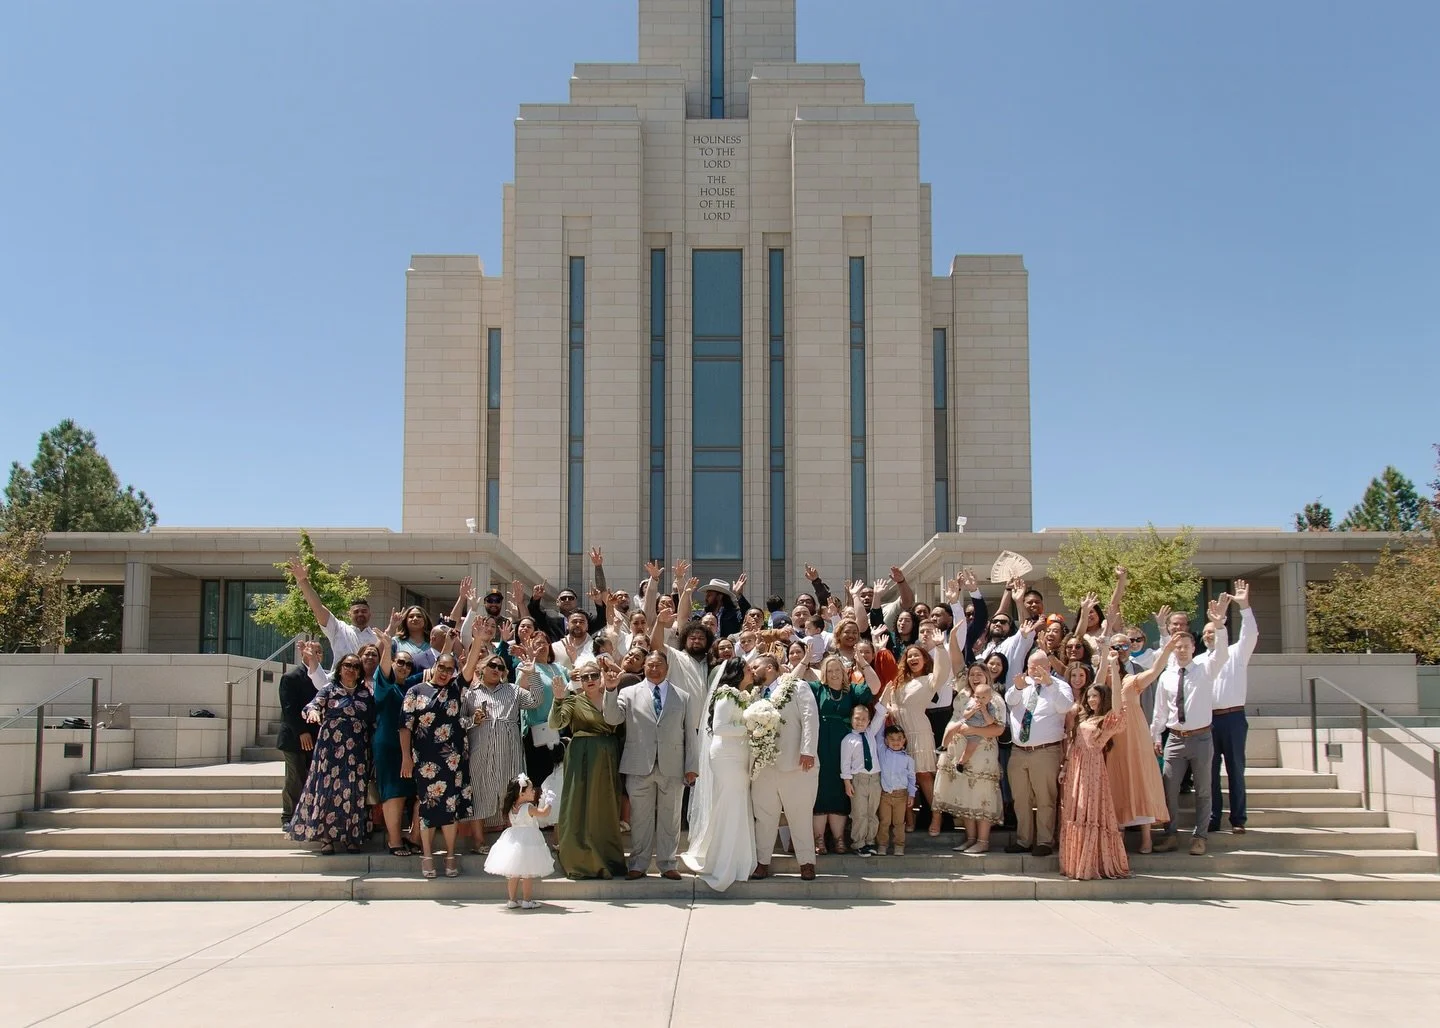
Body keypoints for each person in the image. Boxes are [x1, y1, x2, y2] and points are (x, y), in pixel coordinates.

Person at [603, 648, 697, 880]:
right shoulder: (630, 692)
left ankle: (667, 863)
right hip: (638, 765)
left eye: (659, 665)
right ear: (644, 667)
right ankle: (638, 863)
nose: (654, 669)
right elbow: (612, 719)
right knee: (641, 818)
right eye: (650, 665)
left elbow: (690, 735)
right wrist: (611, 689)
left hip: (672, 766)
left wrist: (691, 766)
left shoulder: (683, 696)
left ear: (667, 668)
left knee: (670, 818)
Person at [1150, 597, 1232, 855]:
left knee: (1203, 790)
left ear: (1193, 647)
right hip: (1174, 738)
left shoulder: (1205, 669)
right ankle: (1171, 833)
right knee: (1169, 789)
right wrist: (1155, 735)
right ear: (1172, 649)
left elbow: (1222, 653)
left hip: (1201, 738)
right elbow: (1160, 710)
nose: (1182, 650)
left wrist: (1219, 626)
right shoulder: (1166, 676)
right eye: (1178, 646)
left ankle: (1200, 836)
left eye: (1186, 646)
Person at [401, 634, 478, 879]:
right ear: (434, 667)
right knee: (427, 808)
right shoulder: (415, 691)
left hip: (454, 760)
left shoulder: (455, 689)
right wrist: (406, 757)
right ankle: (426, 855)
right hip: (425, 760)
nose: (445, 672)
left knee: (450, 809)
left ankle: (450, 855)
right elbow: (405, 727)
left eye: (449, 669)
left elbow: (471, 664)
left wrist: (479, 639)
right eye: (441, 667)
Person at [285, 651, 376, 854]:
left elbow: (372, 719)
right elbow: (311, 706)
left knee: (353, 791)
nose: (351, 670)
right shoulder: (329, 689)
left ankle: (351, 836)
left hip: (358, 751)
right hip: (331, 750)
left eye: (355, 667)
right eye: (347, 666)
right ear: (340, 668)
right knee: (328, 791)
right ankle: (326, 838)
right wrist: (315, 712)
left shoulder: (365, 693)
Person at [462, 618, 541, 853]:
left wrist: (533, 674)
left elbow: (536, 700)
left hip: (509, 750)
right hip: (481, 750)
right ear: (481, 669)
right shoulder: (470, 694)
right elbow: (459, 721)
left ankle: (514, 842)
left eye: (500, 667)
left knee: (512, 794)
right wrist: (471, 721)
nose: (496, 670)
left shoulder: (513, 690)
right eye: (492, 666)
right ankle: (478, 842)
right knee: (481, 794)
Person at [682, 657, 757, 891]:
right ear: (737, 672)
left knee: (737, 804)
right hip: (727, 757)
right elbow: (720, 727)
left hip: (739, 756)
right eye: (747, 668)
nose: (751, 671)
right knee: (730, 804)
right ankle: (723, 863)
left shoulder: (743, 697)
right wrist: (751, 727)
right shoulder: (726, 695)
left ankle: (737, 858)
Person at [548, 659, 627, 879]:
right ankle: (580, 860)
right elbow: (555, 724)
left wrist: (611, 690)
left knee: (605, 806)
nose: (590, 680)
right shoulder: (573, 701)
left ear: (601, 676)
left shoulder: (614, 697)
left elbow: (617, 721)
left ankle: (607, 859)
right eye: (585, 677)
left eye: (593, 675)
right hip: (580, 756)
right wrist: (557, 699)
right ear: (579, 680)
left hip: (606, 755)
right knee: (578, 805)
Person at [749, 655, 822, 880]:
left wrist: (808, 750)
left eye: (755, 666)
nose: (751, 670)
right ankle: (762, 861)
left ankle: (807, 862)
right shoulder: (754, 694)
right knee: (764, 815)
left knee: (799, 814)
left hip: (797, 763)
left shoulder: (797, 686)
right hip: (764, 766)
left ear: (770, 668)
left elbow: (810, 718)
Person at [1058, 663, 1131, 881]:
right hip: (1075, 767)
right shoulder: (1084, 717)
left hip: (1092, 768)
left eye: (1095, 696)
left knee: (1089, 812)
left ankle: (1091, 863)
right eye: (1089, 696)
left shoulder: (1107, 720)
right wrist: (1065, 765)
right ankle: (1075, 863)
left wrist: (1115, 673)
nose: (1091, 700)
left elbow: (1119, 708)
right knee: (1075, 812)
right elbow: (1073, 743)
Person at [879, 623, 952, 837]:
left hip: (918, 731)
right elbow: (890, 702)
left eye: (916, 655)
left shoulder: (929, 680)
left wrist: (939, 648)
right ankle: (908, 820)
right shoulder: (899, 682)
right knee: (903, 775)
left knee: (923, 776)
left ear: (924, 659)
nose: (912, 659)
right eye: (909, 656)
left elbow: (943, 671)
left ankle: (936, 816)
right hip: (899, 733)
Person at [1004, 648, 1075, 856]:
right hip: (1018, 751)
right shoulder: (1022, 685)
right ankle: (1023, 840)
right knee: (1021, 798)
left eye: (1040, 667)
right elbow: (1010, 701)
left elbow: (1065, 707)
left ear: (1049, 667)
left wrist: (1049, 684)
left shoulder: (1060, 686)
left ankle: (1044, 841)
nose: (1035, 671)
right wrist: (1017, 688)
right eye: (1031, 667)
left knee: (1045, 798)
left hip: (1045, 751)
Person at [1109, 635, 1176, 854]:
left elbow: (1155, 670)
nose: (1119, 649)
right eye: (1115, 646)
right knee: (1116, 782)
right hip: (1112, 739)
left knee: (1140, 781)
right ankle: (1118, 838)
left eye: (1124, 645)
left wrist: (1166, 650)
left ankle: (1146, 837)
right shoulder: (1104, 682)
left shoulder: (1132, 679)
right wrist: (1107, 660)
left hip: (1135, 737)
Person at [811, 653, 881, 854]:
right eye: (829, 670)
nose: (833, 674)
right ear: (824, 673)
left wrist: (864, 664)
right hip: (822, 745)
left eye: (837, 670)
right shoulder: (818, 689)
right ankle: (819, 840)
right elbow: (790, 684)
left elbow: (875, 687)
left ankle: (839, 838)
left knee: (840, 791)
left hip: (845, 747)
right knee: (821, 790)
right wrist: (806, 661)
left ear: (844, 672)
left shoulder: (852, 691)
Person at [935, 661, 1007, 854]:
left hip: (983, 752)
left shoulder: (995, 699)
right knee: (965, 794)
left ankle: (983, 841)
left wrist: (973, 729)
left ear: (987, 677)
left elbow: (999, 728)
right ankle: (971, 838)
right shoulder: (964, 695)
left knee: (981, 795)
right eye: (972, 674)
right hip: (960, 750)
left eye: (979, 674)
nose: (975, 678)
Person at [1208, 580, 1258, 835]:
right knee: (1210, 774)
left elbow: (1251, 634)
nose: (1210, 635)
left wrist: (1244, 606)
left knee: (1235, 768)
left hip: (1234, 719)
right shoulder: (1198, 661)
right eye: (1206, 633)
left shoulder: (1237, 652)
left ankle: (1238, 819)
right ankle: (1213, 818)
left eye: (1213, 630)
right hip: (1208, 722)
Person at [373, 625, 419, 856]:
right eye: (399, 662)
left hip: (410, 748)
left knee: (415, 794)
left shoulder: (411, 687)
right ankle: (394, 841)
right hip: (388, 747)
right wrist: (388, 646)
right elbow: (382, 671)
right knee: (394, 794)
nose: (403, 666)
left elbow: (440, 670)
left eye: (408, 664)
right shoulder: (385, 688)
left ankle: (412, 837)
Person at [484, 773, 556, 909]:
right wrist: (549, 801)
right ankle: (527, 900)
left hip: (514, 840)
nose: (533, 791)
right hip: (528, 842)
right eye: (530, 790)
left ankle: (512, 900)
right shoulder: (528, 807)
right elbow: (544, 813)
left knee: (514, 873)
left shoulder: (512, 808)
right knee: (527, 873)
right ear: (522, 794)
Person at [276, 641, 328, 826]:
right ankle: (289, 816)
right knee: (295, 776)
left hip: (317, 737)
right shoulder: (291, 677)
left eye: (319, 652)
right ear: (304, 654)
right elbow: (289, 709)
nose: (317, 655)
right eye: (313, 651)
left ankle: (307, 814)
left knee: (310, 777)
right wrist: (302, 731)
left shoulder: (324, 677)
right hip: (294, 737)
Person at [287, 556, 377, 662]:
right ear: (349, 614)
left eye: (364, 611)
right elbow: (318, 608)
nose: (360, 614)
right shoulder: (338, 629)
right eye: (356, 611)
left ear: (370, 614)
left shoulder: (378, 638)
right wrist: (303, 580)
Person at [839, 699, 887, 857]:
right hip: (858, 779)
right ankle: (858, 842)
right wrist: (847, 782)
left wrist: (885, 696)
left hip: (874, 778)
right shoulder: (848, 740)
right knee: (859, 812)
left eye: (864, 719)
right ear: (851, 719)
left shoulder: (870, 734)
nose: (860, 722)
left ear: (868, 721)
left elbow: (880, 715)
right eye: (857, 718)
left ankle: (870, 840)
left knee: (872, 812)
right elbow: (845, 763)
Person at [875, 723, 917, 856]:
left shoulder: (908, 760)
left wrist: (911, 794)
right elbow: (878, 735)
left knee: (899, 822)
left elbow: (911, 778)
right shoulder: (883, 753)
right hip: (885, 795)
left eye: (899, 738)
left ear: (904, 740)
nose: (896, 742)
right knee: (884, 821)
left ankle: (899, 845)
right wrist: (883, 719)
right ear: (886, 741)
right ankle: (882, 845)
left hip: (901, 795)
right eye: (892, 739)